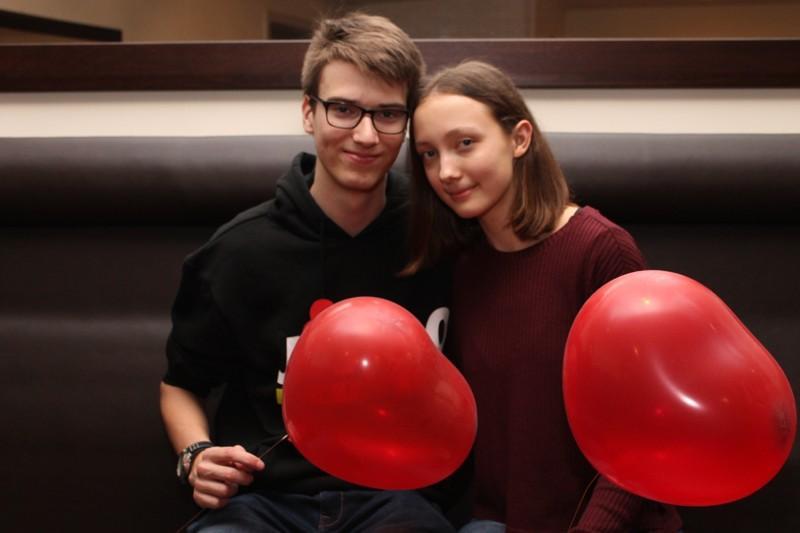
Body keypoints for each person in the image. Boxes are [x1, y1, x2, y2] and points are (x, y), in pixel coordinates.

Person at [160, 12, 457, 532]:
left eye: (388, 114)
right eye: (343, 109)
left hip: (396, 500)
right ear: (307, 111)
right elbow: (179, 385)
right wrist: (195, 455)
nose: (365, 135)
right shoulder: (239, 250)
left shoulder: (442, 235)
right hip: (261, 502)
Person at [405, 60, 683, 532]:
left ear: (519, 139)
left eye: (465, 143)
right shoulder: (466, 268)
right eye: (429, 154)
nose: (445, 171)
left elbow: (646, 429)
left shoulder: (600, 251)